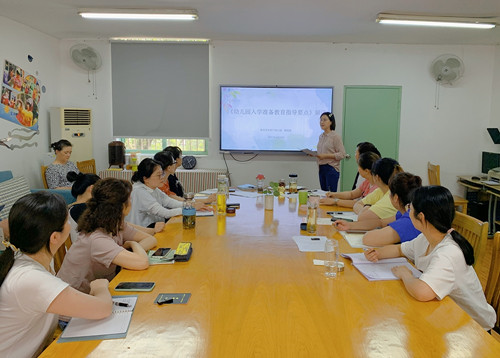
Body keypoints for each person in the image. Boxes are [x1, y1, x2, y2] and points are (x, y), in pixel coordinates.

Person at [364, 186, 496, 331]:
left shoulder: (448, 253)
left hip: (473, 328)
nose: (408, 212)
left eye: (410, 208)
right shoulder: (427, 238)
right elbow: (399, 249)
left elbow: (422, 292)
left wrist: (405, 274)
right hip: (448, 315)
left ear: (421, 217)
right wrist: (378, 253)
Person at [0, 192, 112, 357]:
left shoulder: (24, 256)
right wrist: (100, 287)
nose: (69, 225)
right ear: (54, 237)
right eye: (66, 221)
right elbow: (103, 308)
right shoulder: (31, 278)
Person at [57, 178, 157, 294]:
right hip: (75, 298)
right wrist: (133, 244)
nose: (131, 203)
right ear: (121, 207)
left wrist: (131, 249)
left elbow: (150, 239)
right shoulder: (96, 238)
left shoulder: (115, 224)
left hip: (98, 289)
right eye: (129, 200)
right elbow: (142, 262)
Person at [66, 172, 165, 243]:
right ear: (92, 189)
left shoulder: (77, 207)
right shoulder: (80, 209)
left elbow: (121, 225)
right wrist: (150, 231)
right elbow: (119, 225)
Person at [126, 158, 210, 228]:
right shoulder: (139, 191)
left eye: (162, 174)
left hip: (155, 227)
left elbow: (169, 202)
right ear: (146, 178)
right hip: (143, 232)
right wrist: (190, 207)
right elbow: (165, 213)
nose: (162, 178)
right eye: (159, 175)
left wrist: (190, 205)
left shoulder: (153, 188)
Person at [335, 157, 403, 231]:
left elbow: (362, 218)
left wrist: (367, 207)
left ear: (377, 177)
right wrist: (366, 209)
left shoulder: (390, 196)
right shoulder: (380, 191)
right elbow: (357, 204)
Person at [362, 172, 422, 246]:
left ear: (395, 198)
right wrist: (350, 225)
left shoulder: (409, 220)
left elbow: (368, 239)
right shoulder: (408, 212)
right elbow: (381, 222)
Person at [309, 112, 346, 192]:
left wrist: (325, 156)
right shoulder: (321, 136)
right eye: (321, 120)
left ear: (331, 122)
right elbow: (323, 151)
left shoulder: (335, 136)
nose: (322, 122)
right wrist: (314, 154)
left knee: (330, 195)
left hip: (331, 168)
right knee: (323, 194)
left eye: (325, 120)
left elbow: (342, 154)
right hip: (321, 168)